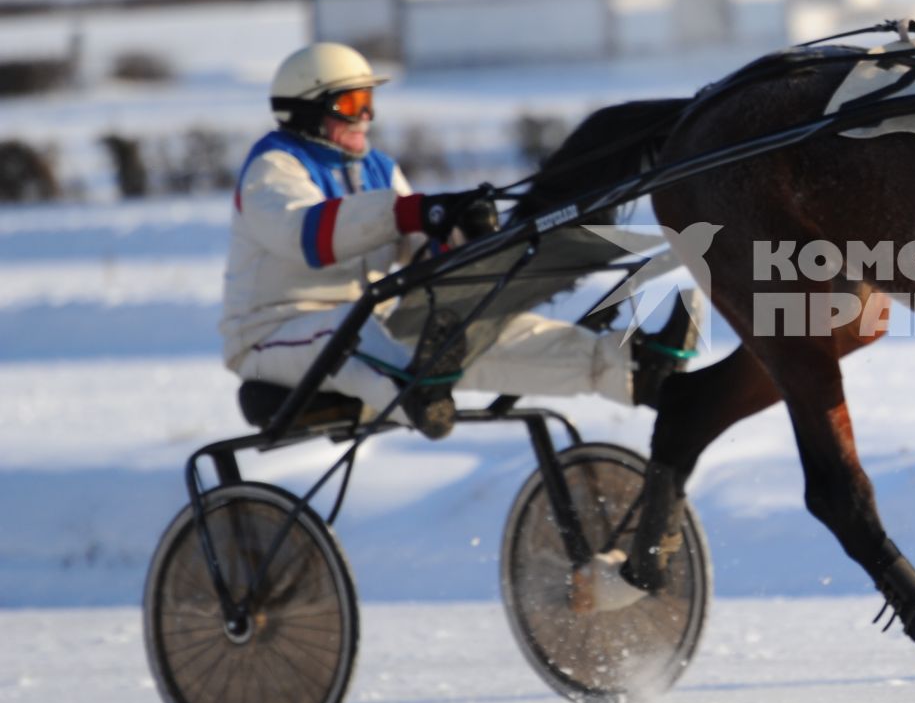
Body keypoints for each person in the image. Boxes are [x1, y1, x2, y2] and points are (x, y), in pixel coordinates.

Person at [220, 42, 688, 439]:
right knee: (354, 332)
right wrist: (416, 210)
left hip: (371, 325)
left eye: (368, 102)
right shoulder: (273, 168)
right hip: (273, 335)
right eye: (350, 105)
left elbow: (413, 246)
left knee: (482, 328)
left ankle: (632, 372)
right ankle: (416, 392)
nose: (365, 116)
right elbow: (308, 236)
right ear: (306, 109)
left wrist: (463, 235)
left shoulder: (377, 168)